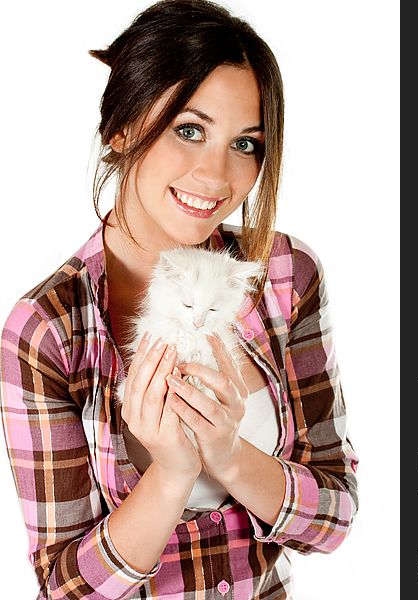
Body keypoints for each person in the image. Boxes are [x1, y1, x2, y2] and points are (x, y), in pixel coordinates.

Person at [0, 0, 359, 598]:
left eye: (246, 144)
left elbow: (335, 519)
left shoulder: (284, 275)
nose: (217, 176)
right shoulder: (47, 331)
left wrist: (230, 454)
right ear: (121, 128)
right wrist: (170, 474)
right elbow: (65, 590)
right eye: (188, 131)